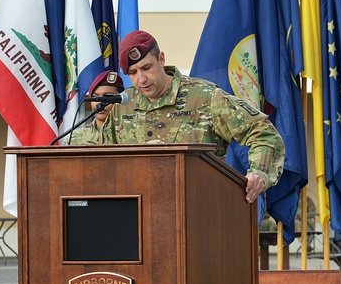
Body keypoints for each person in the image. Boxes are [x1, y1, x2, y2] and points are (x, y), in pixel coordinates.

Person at [90, 30, 284, 203]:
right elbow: (102, 162)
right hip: (137, 217)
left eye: (146, 67)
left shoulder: (204, 98)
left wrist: (259, 173)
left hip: (198, 210)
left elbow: (264, 133)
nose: (141, 79)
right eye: (132, 73)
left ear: (162, 59)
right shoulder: (123, 106)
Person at [71, 69, 125, 145]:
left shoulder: (132, 133)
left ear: (121, 100)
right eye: (95, 97)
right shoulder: (76, 137)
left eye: (107, 96)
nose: (99, 103)